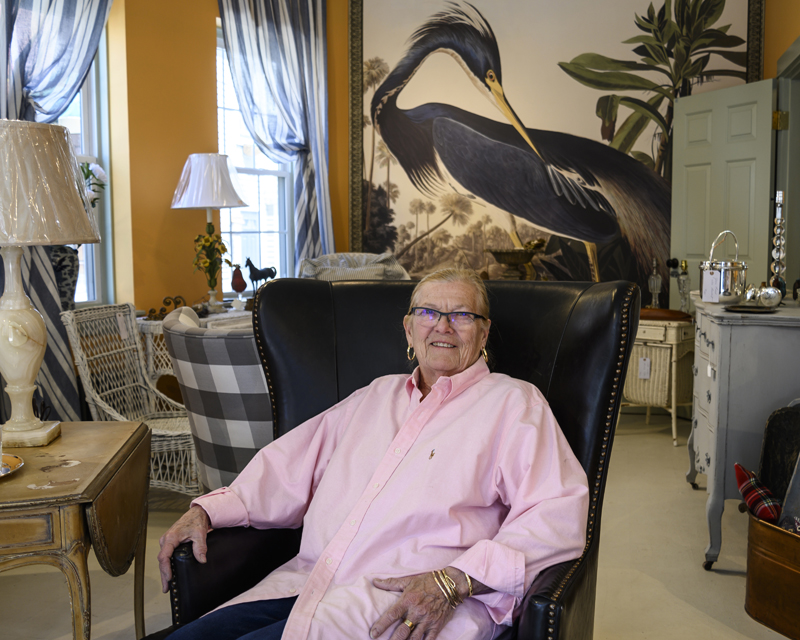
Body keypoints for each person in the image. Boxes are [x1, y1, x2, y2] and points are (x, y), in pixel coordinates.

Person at [158, 268, 589, 640]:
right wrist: (209, 512)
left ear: (484, 332)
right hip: (307, 582)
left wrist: (454, 580)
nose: (442, 326)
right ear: (408, 328)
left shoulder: (513, 404)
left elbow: (557, 513)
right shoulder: (375, 395)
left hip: (401, 604)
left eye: (461, 315)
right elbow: (291, 465)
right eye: (428, 313)